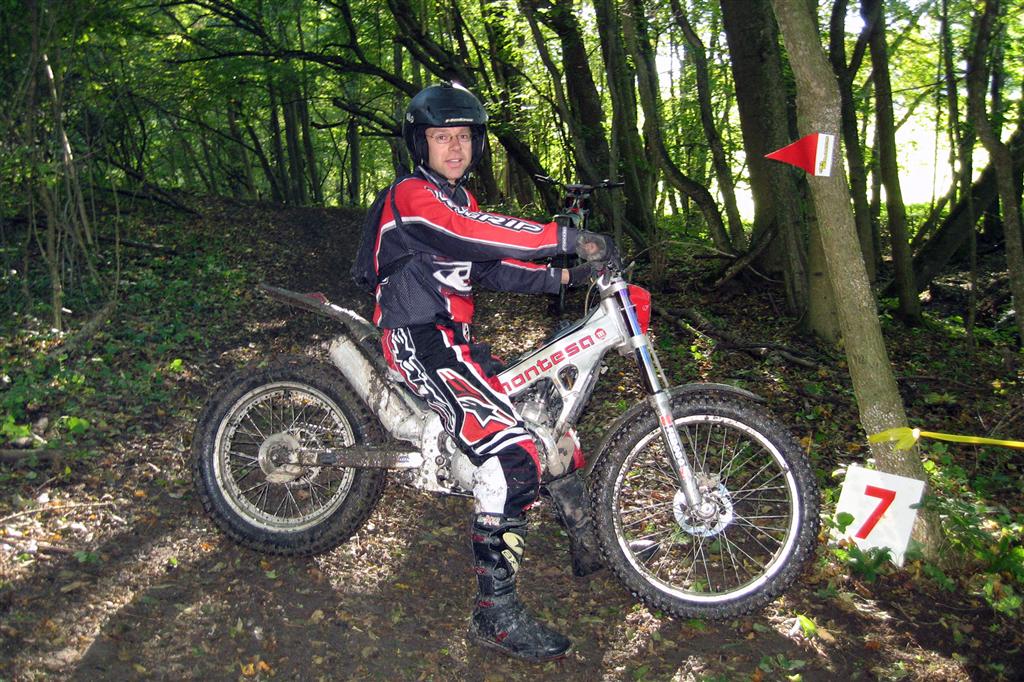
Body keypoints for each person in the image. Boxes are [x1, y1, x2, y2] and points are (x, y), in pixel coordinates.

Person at [370, 83, 613, 662]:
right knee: (512, 456)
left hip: (456, 343)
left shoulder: (459, 200)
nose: (454, 148)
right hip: (419, 338)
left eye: (463, 137)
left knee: (546, 419)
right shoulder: (411, 196)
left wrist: (564, 278)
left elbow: (489, 268)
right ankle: (494, 615)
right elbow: (476, 235)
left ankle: (590, 542)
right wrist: (564, 239)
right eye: (441, 137)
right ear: (420, 144)